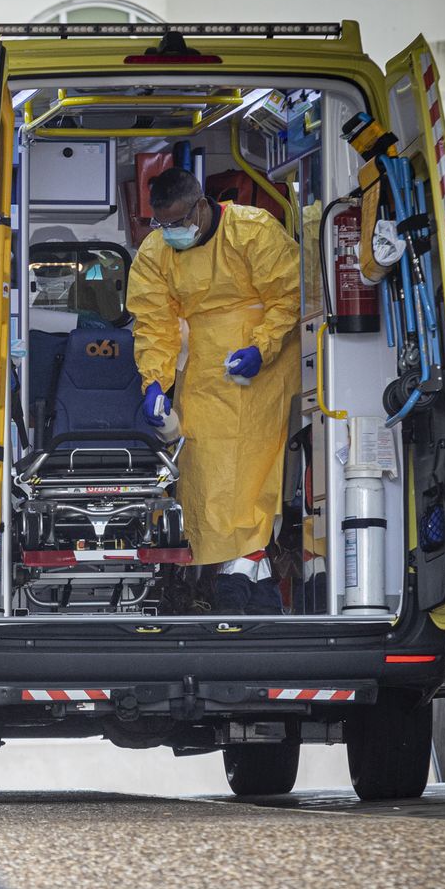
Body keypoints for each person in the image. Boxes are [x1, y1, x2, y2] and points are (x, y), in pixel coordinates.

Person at [126, 167, 301, 614]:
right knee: (202, 468)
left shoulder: (252, 231)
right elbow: (154, 324)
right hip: (205, 369)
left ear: (202, 207)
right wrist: (156, 382)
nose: (171, 233)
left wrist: (262, 346)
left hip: (262, 366)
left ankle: (241, 571)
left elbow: (289, 293)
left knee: (251, 469)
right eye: (161, 224)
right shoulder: (155, 252)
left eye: (178, 222)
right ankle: (249, 576)